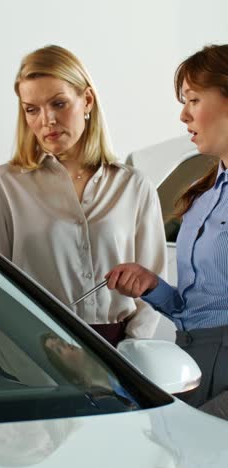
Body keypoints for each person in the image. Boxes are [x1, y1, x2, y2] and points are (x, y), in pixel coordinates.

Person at [0, 44, 166, 358]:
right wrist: (36, 364)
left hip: (120, 355)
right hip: (34, 357)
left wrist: (127, 359)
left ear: (87, 100)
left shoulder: (134, 186)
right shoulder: (3, 186)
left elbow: (152, 287)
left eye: (59, 103)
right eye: (32, 109)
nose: (47, 120)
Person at [105, 44, 228, 411]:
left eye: (192, 99)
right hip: (190, 361)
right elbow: (200, 307)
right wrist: (153, 287)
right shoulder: (204, 196)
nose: (183, 115)